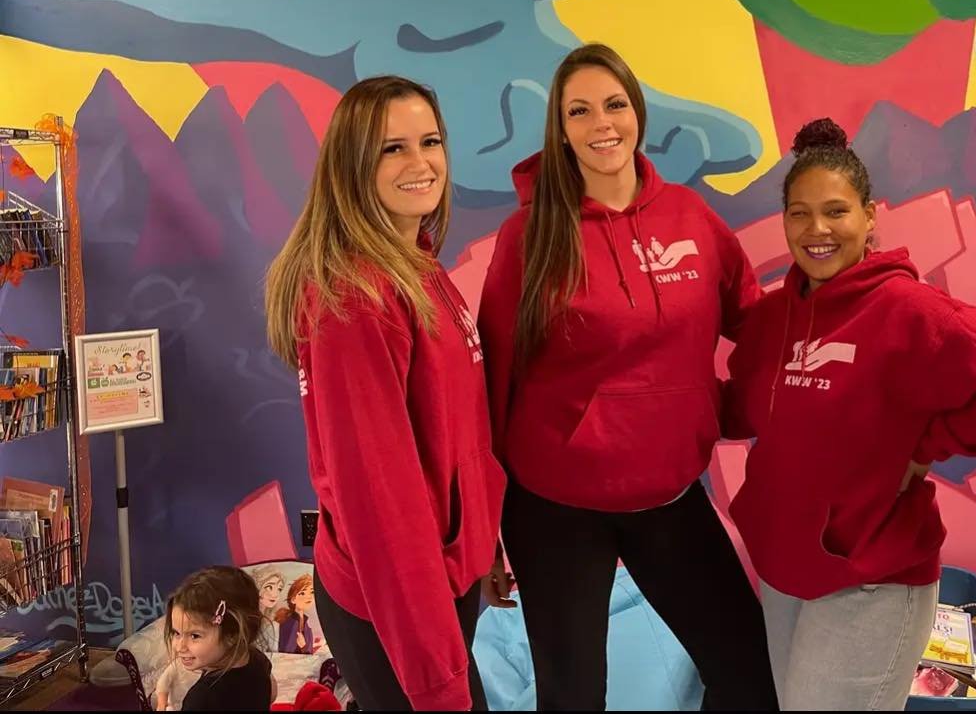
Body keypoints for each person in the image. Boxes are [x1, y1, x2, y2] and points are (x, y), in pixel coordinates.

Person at [722, 118, 976, 711]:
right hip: (783, 568)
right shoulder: (774, 318)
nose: (816, 229)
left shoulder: (909, 309)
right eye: (800, 214)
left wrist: (927, 445)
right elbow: (743, 410)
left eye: (836, 211)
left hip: (871, 575)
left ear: (869, 217)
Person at [479, 43, 777, 710]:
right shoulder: (529, 235)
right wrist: (484, 531)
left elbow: (756, 325)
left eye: (614, 104)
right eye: (579, 111)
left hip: (668, 495)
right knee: (573, 697)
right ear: (560, 129)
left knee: (749, 675)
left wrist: (733, 406)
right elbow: (493, 381)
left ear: (636, 113)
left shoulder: (690, 218)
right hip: (555, 508)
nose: (601, 124)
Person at [265, 76, 505, 711]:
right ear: (353, 165)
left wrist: (484, 541)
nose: (420, 162)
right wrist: (437, 680)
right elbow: (379, 499)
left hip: (440, 578)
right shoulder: (355, 300)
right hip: (395, 599)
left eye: (430, 141)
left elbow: (458, 430)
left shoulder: (417, 264)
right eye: (392, 148)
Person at [165, 566, 275, 711]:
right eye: (176, 633)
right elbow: (272, 694)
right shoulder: (257, 658)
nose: (180, 646)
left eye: (194, 636)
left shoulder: (201, 698)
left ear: (232, 635)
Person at [275, 575, 319, 655]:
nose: (309, 596)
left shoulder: (307, 626)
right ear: (293, 600)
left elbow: (309, 653)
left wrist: (304, 647)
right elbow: (285, 652)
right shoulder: (287, 623)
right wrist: (303, 647)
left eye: (312, 592)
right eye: (302, 593)